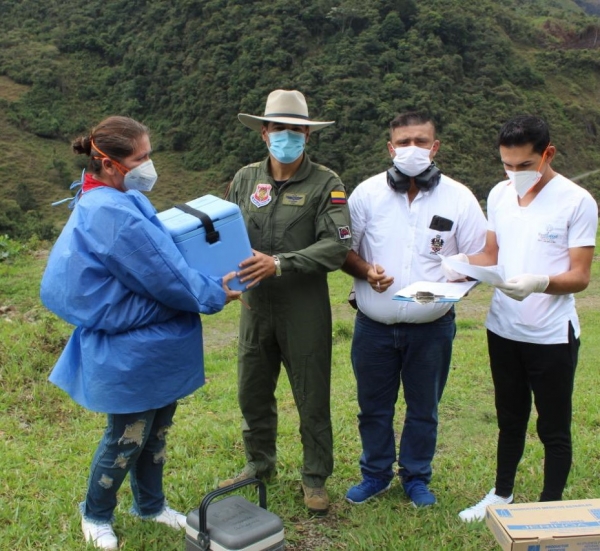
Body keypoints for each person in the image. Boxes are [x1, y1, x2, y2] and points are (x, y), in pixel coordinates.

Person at [40, 116, 241, 550]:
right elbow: (167, 276)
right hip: (132, 347)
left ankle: (149, 504)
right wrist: (214, 293)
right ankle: (95, 513)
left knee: (157, 430)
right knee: (127, 435)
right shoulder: (113, 213)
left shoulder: (113, 195)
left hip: (153, 342)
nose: (150, 165)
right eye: (141, 158)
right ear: (110, 164)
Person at [445, 115, 598, 522]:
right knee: (510, 417)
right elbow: (491, 255)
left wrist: (540, 282)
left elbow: (580, 275)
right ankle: (501, 494)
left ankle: (550, 507)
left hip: (551, 334)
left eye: (524, 166)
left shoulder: (577, 201)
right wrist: (460, 264)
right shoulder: (498, 195)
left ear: (547, 154)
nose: (514, 175)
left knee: (553, 426)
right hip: (504, 328)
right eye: (507, 165)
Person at [342, 112, 487, 507]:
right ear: (390, 148)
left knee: (424, 409)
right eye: (403, 142)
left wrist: (449, 292)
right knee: (373, 408)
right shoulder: (366, 194)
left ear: (435, 147)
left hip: (432, 328)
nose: (412, 149)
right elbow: (345, 252)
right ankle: (375, 475)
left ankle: (416, 477)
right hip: (373, 326)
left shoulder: (459, 198)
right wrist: (366, 271)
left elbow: (479, 258)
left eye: (421, 141)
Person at [221, 89, 352, 514]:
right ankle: (259, 464)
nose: (287, 137)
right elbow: (225, 234)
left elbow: (336, 246)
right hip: (255, 308)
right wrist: (222, 278)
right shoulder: (244, 179)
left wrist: (279, 263)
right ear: (264, 133)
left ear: (308, 137)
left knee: (312, 395)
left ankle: (315, 478)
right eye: (279, 129)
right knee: (252, 392)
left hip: (303, 308)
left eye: (296, 130)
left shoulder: (326, 183)